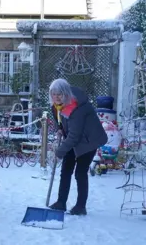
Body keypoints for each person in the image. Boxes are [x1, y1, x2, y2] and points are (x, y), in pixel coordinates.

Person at [48, 79, 107, 215]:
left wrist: (59, 152)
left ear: (66, 93)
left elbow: (75, 136)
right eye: (53, 94)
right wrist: (59, 128)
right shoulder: (56, 105)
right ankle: (61, 202)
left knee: (80, 173)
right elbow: (58, 118)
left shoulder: (77, 108)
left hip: (88, 141)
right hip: (73, 139)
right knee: (66, 170)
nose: (56, 97)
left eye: (59, 94)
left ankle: (81, 206)